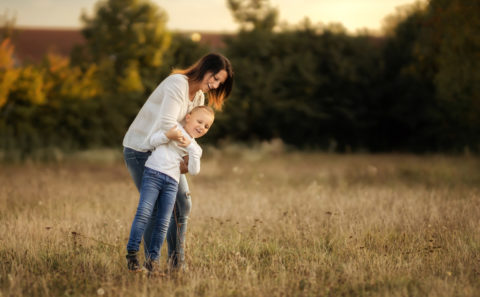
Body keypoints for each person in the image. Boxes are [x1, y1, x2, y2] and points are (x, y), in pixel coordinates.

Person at [122, 53, 233, 270]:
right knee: (153, 208)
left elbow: (187, 132)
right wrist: (190, 150)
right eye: (216, 78)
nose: (216, 85)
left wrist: (184, 158)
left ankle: (176, 263)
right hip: (141, 149)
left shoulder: (199, 98)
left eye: (220, 82)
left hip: (165, 153)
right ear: (205, 69)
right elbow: (167, 125)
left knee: (183, 203)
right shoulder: (177, 84)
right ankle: (146, 266)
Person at [126, 106, 215, 272]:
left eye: (206, 126)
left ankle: (152, 261)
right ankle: (132, 254)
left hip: (172, 183)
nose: (202, 127)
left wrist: (191, 147)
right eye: (199, 121)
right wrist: (168, 136)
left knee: (163, 222)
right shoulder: (174, 128)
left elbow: (194, 170)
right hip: (153, 174)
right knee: (144, 212)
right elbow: (151, 142)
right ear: (188, 117)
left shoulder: (195, 148)